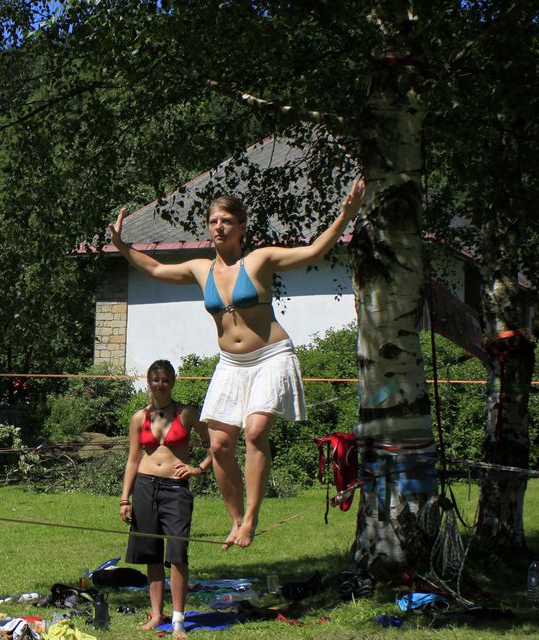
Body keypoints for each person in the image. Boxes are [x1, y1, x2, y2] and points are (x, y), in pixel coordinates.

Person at [111, 179, 365, 549]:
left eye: (227, 220)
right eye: (213, 220)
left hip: (271, 356)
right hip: (231, 362)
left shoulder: (259, 260)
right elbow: (155, 270)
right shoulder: (201, 270)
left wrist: (346, 214)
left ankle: (251, 517)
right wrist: (122, 246)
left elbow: (313, 252)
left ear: (241, 227)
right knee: (219, 445)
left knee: (255, 431)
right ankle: (234, 519)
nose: (218, 226)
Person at [120, 359, 213, 639]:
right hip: (145, 486)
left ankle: (178, 619)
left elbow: (216, 444)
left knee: (177, 554)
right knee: (151, 553)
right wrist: (125, 498)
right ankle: (157, 614)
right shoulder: (139, 417)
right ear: (148, 382)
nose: (160, 385)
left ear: (173, 382)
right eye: (155, 380)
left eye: (165, 380)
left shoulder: (186, 413)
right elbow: (133, 459)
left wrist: (198, 468)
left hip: (176, 489)